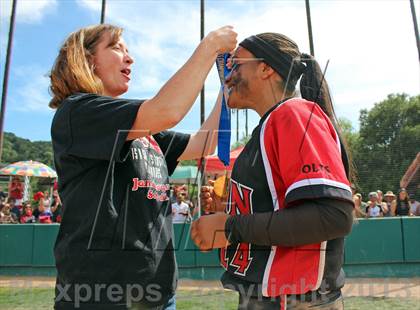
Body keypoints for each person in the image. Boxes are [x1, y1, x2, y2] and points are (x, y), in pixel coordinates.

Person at [49, 24, 236, 309]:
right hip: (99, 296)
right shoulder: (77, 112)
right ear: (87, 60)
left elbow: (206, 143)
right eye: (116, 47)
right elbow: (167, 110)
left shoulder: (145, 132)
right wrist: (210, 45)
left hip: (158, 294)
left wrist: (226, 87)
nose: (129, 57)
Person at [191, 33, 353, 309]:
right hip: (272, 297)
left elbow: (332, 217)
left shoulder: (294, 114)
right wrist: (229, 213)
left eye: (236, 64)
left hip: (298, 301)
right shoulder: (268, 127)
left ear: (266, 68)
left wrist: (229, 226)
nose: (227, 76)